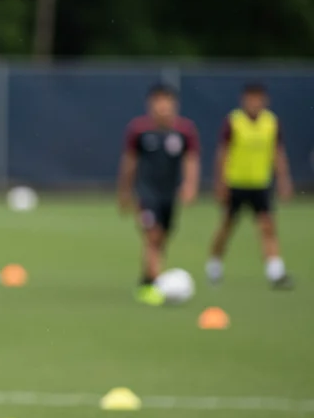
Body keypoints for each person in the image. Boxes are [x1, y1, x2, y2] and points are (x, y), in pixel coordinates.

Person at [118, 83, 201, 306]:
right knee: (152, 235)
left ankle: (147, 280)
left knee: (162, 238)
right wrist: (125, 191)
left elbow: (191, 160)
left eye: (167, 101)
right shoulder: (139, 130)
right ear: (150, 104)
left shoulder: (185, 131)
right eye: (158, 101)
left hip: (169, 194)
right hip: (146, 193)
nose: (162, 106)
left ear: (175, 104)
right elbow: (129, 162)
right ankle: (156, 284)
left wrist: (190, 185)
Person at [205, 83, 295, 289]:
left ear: (265, 100)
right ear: (243, 100)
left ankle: (275, 271)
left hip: (260, 184)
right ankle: (214, 265)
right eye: (251, 98)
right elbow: (223, 153)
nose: (255, 103)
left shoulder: (271, 122)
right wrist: (220, 182)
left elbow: (277, 153)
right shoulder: (234, 121)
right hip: (236, 183)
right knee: (226, 227)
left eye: (258, 99)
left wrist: (283, 180)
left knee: (267, 226)